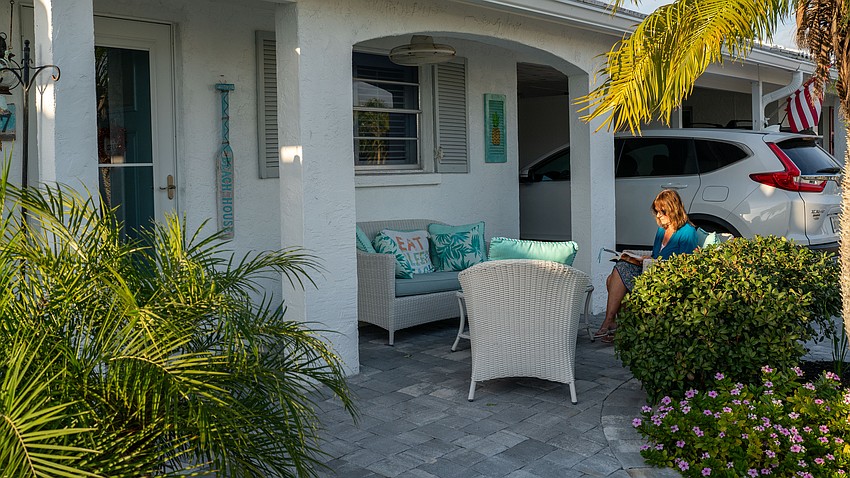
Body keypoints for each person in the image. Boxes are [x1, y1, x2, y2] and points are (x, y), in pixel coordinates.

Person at [595, 189, 699, 343]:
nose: (658, 215)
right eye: (656, 211)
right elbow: (656, 254)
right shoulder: (661, 230)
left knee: (613, 279)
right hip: (650, 271)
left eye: (662, 211)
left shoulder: (688, 232)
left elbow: (685, 264)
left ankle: (612, 323)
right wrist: (645, 258)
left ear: (673, 209)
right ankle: (619, 327)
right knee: (617, 271)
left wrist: (655, 262)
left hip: (666, 279)